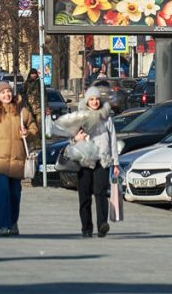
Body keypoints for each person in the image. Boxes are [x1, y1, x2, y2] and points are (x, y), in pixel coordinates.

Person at [0, 81, 38, 236]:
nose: (6, 95)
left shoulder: (22, 112)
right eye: (2, 92)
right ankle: (4, 225)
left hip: (18, 161)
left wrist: (28, 133)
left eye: (8, 91)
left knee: (15, 194)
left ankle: (13, 222)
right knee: (2, 193)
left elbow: (34, 128)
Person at [72, 86, 119, 238]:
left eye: (97, 99)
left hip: (102, 160)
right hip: (84, 160)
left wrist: (116, 163)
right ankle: (86, 227)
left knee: (100, 193)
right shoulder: (80, 117)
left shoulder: (107, 118)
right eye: (91, 99)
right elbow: (70, 136)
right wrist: (75, 139)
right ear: (87, 101)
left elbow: (113, 140)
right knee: (84, 195)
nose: (95, 102)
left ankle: (102, 225)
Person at [22, 68, 43, 137]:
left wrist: (46, 106)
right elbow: (23, 94)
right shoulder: (26, 83)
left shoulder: (40, 83)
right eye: (32, 74)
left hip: (38, 108)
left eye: (35, 74)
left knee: (39, 124)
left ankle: (40, 140)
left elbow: (44, 95)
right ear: (30, 74)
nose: (33, 75)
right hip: (29, 107)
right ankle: (33, 140)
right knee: (31, 125)